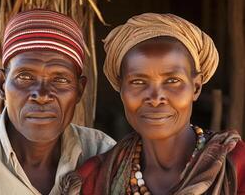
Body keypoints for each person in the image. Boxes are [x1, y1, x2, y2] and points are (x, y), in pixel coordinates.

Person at [61, 13, 245, 195]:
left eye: (172, 80)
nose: (156, 98)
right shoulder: (94, 177)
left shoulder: (237, 165)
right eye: (138, 82)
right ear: (121, 89)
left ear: (196, 87)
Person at [0, 9, 115, 195]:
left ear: (79, 91)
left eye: (60, 79)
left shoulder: (104, 155)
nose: (41, 95)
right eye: (25, 76)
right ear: (1, 84)